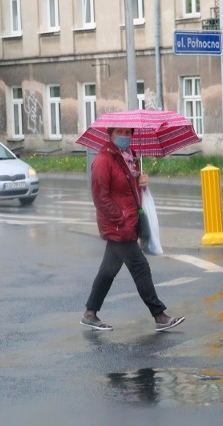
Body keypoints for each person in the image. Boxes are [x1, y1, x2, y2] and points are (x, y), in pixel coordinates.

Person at [80, 127, 185, 332]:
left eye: (129, 133)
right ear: (110, 134)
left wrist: (141, 182)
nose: (125, 136)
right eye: (121, 132)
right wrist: (119, 219)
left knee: (108, 271)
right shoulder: (103, 160)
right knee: (140, 268)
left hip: (128, 222)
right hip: (118, 224)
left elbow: (127, 189)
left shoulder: (129, 157)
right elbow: (100, 197)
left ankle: (90, 314)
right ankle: (160, 315)